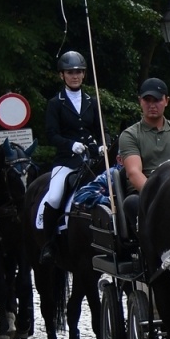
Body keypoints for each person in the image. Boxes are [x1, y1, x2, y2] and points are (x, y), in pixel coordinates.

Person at [37, 51, 105, 264]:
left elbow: (101, 129)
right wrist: (70, 145)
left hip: (91, 160)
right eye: (70, 72)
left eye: (78, 72)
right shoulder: (55, 103)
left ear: (84, 74)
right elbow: (51, 134)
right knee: (54, 197)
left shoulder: (92, 101)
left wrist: (103, 145)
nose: (75, 76)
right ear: (62, 75)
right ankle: (49, 244)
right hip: (66, 160)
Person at [118, 77, 170, 228]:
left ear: (166, 101)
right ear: (140, 101)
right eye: (147, 100)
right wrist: (161, 197)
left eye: (157, 100)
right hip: (145, 194)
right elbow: (134, 173)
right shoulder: (129, 135)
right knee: (131, 202)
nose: (152, 105)